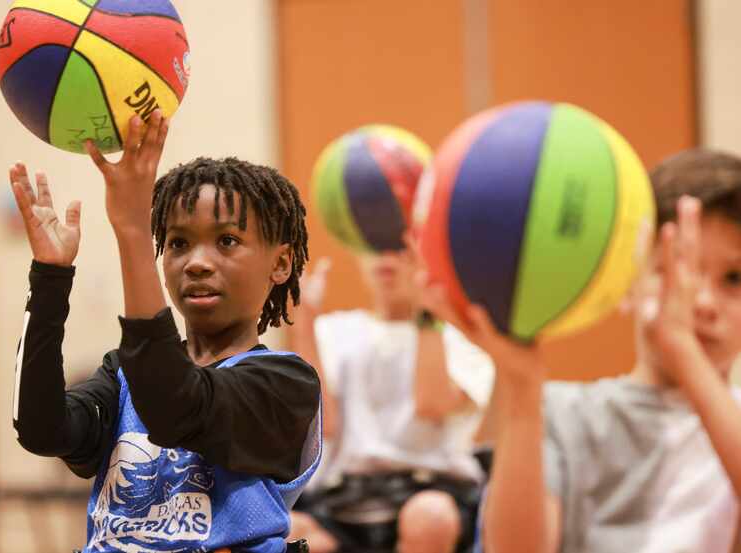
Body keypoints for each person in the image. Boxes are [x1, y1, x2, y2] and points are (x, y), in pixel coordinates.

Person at [9, 111, 321, 553]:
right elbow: (40, 429)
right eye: (177, 243)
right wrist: (50, 278)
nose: (196, 262)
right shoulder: (123, 375)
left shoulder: (287, 385)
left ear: (281, 263)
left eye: (227, 240)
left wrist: (132, 230)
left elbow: (175, 407)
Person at [430, 149, 741, 553]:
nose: (699, 300)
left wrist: (683, 348)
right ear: (627, 284)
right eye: (675, 268)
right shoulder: (561, 413)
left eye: (733, 277)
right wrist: (522, 387)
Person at [287, 243, 495, 553]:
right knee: (283, 532)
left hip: (431, 489)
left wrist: (427, 312)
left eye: (401, 248)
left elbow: (432, 404)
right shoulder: (334, 330)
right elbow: (321, 425)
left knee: (428, 519)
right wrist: (304, 317)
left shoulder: (458, 340)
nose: (387, 257)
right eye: (376, 244)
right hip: (343, 500)